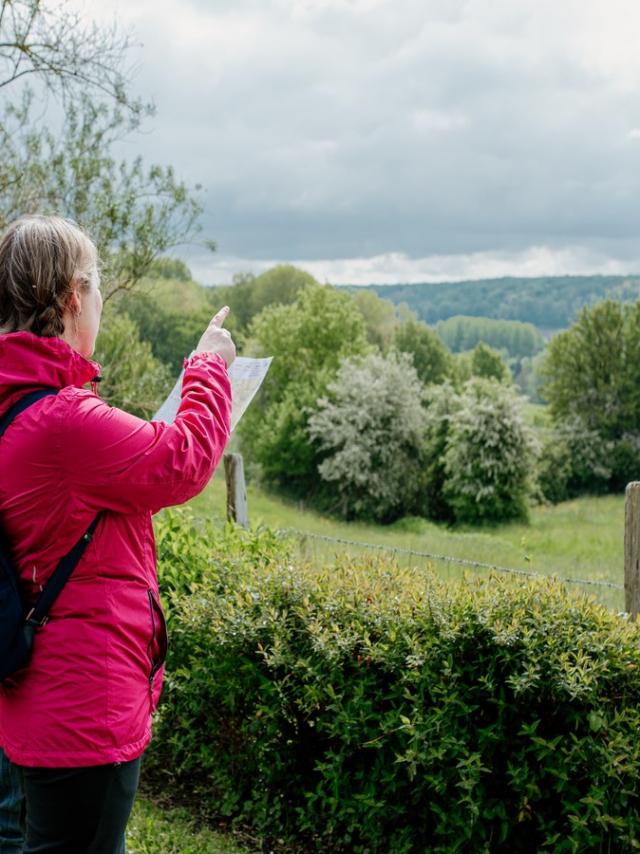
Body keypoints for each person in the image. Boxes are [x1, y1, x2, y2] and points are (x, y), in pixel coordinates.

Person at [0, 215, 235, 853]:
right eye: (97, 284)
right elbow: (184, 459)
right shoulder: (63, 423)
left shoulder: (17, 404)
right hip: (81, 706)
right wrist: (209, 369)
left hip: (42, 699)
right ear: (74, 297)